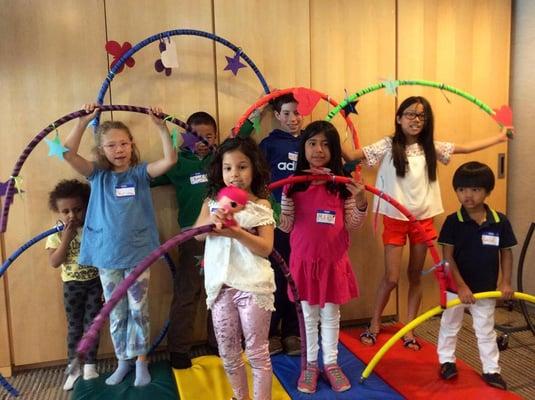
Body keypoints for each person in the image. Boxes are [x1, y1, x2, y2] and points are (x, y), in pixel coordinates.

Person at [347, 96, 512, 350]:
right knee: (391, 277)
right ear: (399, 118)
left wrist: (500, 137)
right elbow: (351, 154)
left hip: (422, 219)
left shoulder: (431, 147)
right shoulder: (387, 145)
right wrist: (342, 116)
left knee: (414, 275)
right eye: (410, 114)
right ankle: (375, 323)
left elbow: (465, 148)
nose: (415, 120)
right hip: (394, 218)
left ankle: (409, 329)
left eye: (421, 116)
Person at [63, 103, 177, 386]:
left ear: (132, 144)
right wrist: (81, 122)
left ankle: (141, 362)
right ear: (101, 150)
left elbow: (170, 161)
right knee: (116, 311)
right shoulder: (97, 175)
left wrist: (162, 127)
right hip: (107, 254)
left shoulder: (139, 173)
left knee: (139, 309)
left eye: (123, 143)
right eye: (111, 145)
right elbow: (67, 152)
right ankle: (123, 360)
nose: (118, 149)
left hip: (138, 253)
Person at [279, 120, 368, 393]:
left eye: (326, 144)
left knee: (331, 314)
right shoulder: (294, 186)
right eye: (313, 143)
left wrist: (362, 202)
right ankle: (310, 365)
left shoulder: (341, 186)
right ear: (303, 146)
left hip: (333, 262)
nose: (319, 149)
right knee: (308, 316)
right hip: (305, 263)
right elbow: (285, 226)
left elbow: (353, 224)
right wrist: (281, 203)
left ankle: (331, 363)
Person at [194, 136, 275, 400]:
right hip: (220, 286)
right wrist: (211, 222)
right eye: (228, 168)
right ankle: (240, 397)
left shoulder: (261, 204)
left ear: (254, 168)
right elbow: (196, 235)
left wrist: (238, 233)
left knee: (257, 352)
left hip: (253, 286)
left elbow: (265, 248)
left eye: (242, 167)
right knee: (228, 352)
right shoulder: (211, 201)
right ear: (220, 170)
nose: (235, 175)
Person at [437, 161, 516, 390]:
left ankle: (492, 370)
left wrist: (505, 281)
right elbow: (447, 258)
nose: (467, 195)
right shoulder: (453, 222)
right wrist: (460, 287)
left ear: (487, 191)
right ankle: (446, 361)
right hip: (455, 288)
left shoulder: (499, 221)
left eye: (474, 189)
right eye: (461, 190)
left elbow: (506, 252)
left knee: (485, 329)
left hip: (486, 287)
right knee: (450, 325)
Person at [151, 111, 218, 369]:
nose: (202, 141)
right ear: (185, 138)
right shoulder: (179, 163)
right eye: (196, 136)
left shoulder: (222, 160)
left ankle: (219, 341)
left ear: (216, 137)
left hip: (222, 234)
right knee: (188, 291)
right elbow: (149, 178)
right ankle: (179, 349)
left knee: (221, 289)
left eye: (208, 136)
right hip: (191, 237)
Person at [46, 179, 103, 391]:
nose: (72, 216)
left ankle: (90, 365)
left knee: (93, 325)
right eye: (66, 211)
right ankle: (74, 367)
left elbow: (103, 252)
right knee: (74, 327)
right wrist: (67, 238)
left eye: (78, 209)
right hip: (72, 285)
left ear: (86, 207)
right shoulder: (57, 232)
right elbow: (54, 262)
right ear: (58, 212)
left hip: (95, 282)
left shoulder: (93, 226)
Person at [259, 93, 303, 356]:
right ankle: (271, 332)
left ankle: (293, 332)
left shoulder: (311, 141)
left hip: (305, 220)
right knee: (276, 274)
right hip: (276, 220)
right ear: (277, 116)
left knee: (297, 275)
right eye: (286, 113)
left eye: (296, 113)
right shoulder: (269, 144)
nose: (293, 119)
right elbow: (259, 179)